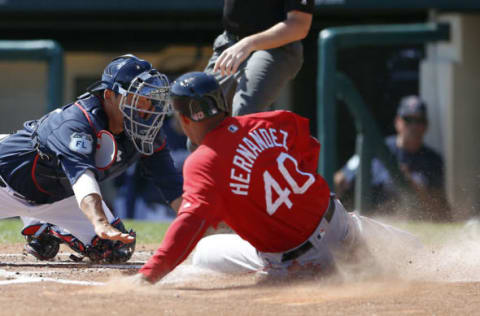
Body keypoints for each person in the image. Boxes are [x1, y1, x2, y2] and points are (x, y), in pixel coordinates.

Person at [129, 72, 420, 284]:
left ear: (184, 120)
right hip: (339, 223)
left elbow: (188, 226)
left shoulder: (201, 162)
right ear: (223, 102)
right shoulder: (269, 120)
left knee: (205, 251)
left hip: (300, 261)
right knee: (416, 252)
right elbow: (309, 146)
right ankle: (413, 249)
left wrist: (149, 275)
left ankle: (319, 270)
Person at [0, 54, 183, 263]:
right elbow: (82, 178)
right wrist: (99, 221)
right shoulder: (76, 122)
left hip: (58, 196)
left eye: (149, 100)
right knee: (101, 226)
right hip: (5, 181)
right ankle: (43, 226)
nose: (146, 108)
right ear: (109, 95)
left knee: (116, 248)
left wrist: (199, 224)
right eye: (136, 98)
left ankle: (46, 228)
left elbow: (171, 184)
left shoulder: (145, 131)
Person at [334, 95, 451, 221]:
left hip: (408, 224)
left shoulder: (433, 160)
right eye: (408, 119)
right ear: (397, 122)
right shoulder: (376, 148)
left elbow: (440, 209)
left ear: (426, 125)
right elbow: (340, 179)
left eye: (419, 121)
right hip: (369, 220)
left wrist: (409, 181)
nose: (414, 126)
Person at [204, 0, 314, 116]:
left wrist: (248, 44)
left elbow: (299, 25)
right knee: (204, 110)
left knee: (244, 113)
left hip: (276, 46)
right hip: (231, 42)